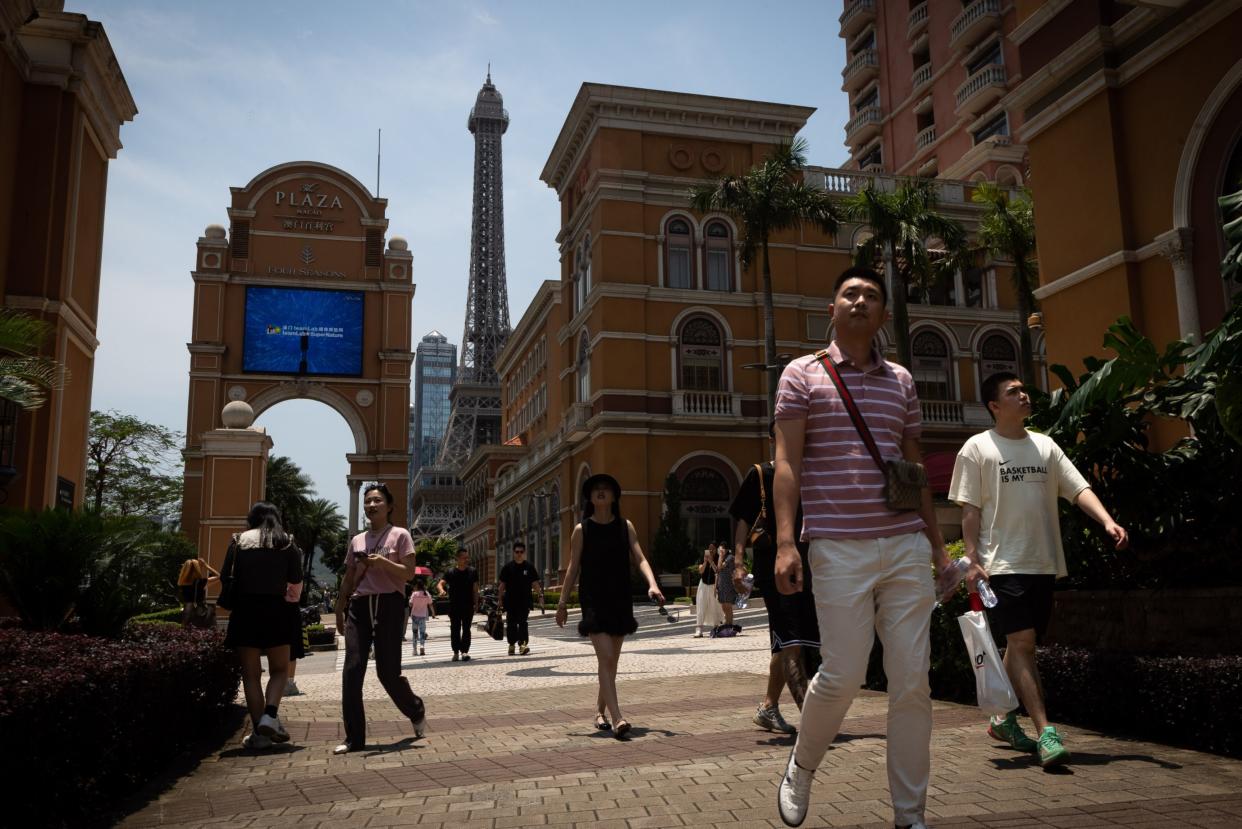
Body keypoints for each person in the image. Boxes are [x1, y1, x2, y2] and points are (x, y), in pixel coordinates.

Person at [773, 267, 948, 829]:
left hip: (902, 545)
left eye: (872, 295)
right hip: (836, 546)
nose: (860, 301)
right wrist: (784, 542)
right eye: (850, 292)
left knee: (912, 682)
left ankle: (909, 815)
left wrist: (938, 547)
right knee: (845, 673)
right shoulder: (801, 374)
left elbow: (914, 467)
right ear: (831, 307)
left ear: (883, 314)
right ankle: (802, 764)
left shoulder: (900, 379)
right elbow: (786, 463)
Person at [949, 371, 1129, 768]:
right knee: (1024, 643)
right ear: (995, 406)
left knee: (1020, 647)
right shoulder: (977, 448)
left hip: (1043, 561)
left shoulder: (1045, 446)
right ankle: (1046, 731)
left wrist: (1106, 520)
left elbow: (1078, 487)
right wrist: (973, 561)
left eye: (1024, 390)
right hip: (1003, 564)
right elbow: (970, 509)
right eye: (1013, 392)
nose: (1024, 395)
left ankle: (1003, 718)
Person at [556, 473, 664, 738]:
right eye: (596, 489)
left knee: (611, 662)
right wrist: (561, 604)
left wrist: (652, 583)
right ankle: (618, 718)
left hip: (620, 598)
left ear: (614, 496)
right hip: (593, 599)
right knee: (605, 657)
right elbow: (572, 569)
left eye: (606, 489)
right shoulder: (583, 529)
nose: (601, 492)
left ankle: (599, 711)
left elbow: (640, 558)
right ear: (590, 498)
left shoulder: (625, 526)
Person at [730, 421, 821, 735]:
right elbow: (742, 521)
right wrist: (739, 565)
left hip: (810, 568)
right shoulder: (761, 474)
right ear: (771, 440)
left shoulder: (810, 475)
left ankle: (768, 707)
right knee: (793, 641)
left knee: (786, 643)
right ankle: (814, 724)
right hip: (776, 570)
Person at [333, 483, 426, 755]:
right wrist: (340, 607)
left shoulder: (400, 535)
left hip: (389, 604)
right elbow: (349, 577)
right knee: (352, 669)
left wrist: (382, 562)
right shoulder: (357, 540)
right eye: (368, 502)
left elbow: (408, 574)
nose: (371, 506)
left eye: (377, 501)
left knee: (387, 673)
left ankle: (415, 708)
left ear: (389, 506)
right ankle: (354, 738)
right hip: (360, 605)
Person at [221, 502, 303, 750]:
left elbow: (226, 576)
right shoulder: (287, 542)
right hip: (278, 611)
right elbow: (296, 581)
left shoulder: (238, 541)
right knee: (279, 670)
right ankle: (270, 714)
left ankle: (261, 734)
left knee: (251, 674)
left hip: (245, 612)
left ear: (251, 519)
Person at [498, 540, 544, 655]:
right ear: (513, 553)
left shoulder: (529, 567)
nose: (519, 554)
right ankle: (512, 645)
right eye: (517, 551)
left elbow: (535, 583)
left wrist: (540, 595)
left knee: (523, 623)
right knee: (511, 623)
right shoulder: (507, 568)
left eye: (521, 552)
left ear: (524, 553)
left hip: (524, 601)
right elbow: (502, 586)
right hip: (510, 601)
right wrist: (499, 600)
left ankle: (523, 645)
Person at [436, 548, 479, 661]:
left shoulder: (472, 571)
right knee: (455, 629)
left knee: (466, 629)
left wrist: (476, 603)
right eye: (464, 558)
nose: (466, 560)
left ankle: (464, 651)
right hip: (454, 605)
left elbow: (475, 589)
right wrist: (441, 590)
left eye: (467, 557)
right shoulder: (450, 572)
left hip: (468, 605)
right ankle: (455, 652)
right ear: (457, 559)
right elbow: (440, 584)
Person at [177, 556, 219, 627]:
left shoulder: (181, 583)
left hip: (187, 612)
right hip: (201, 612)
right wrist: (206, 565)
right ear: (197, 569)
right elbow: (219, 576)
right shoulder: (201, 583)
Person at [693, 544, 724, 637]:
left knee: (715, 606)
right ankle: (699, 629)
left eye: (713, 549)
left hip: (713, 586)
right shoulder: (703, 558)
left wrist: (711, 561)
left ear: (716, 550)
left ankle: (716, 627)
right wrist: (706, 562)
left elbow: (717, 571)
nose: (711, 551)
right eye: (709, 549)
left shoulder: (718, 558)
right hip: (703, 584)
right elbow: (701, 571)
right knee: (701, 606)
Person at [714, 538, 739, 633]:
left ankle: (730, 624)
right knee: (723, 605)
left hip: (728, 584)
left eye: (722, 549)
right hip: (721, 584)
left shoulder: (730, 557)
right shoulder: (722, 558)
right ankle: (727, 623)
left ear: (726, 549)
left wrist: (720, 556)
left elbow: (720, 567)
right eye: (720, 549)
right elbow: (717, 570)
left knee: (728, 605)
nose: (720, 551)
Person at [407, 577, 436, 656]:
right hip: (423, 615)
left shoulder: (414, 594)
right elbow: (430, 604)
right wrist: (433, 613)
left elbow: (410, 604)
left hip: (414, 616)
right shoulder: (426, 593)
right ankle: (422, 646)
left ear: (417, 585)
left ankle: (415, 650)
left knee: (415, 633)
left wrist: (411, 598)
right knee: (422, 632)